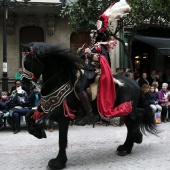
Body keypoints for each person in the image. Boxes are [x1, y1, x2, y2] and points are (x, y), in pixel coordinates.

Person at [75, 30, 132, 126]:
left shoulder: (101, 46)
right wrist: (82, 52)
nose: (91, 37)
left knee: (79, 87)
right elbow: (84, 59)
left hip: (93, 72)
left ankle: (89, 114)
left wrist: (91, 55)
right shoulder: (92, 46)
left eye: (93, 35)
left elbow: (104, 59)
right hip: (86, 70)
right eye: (91, 35)